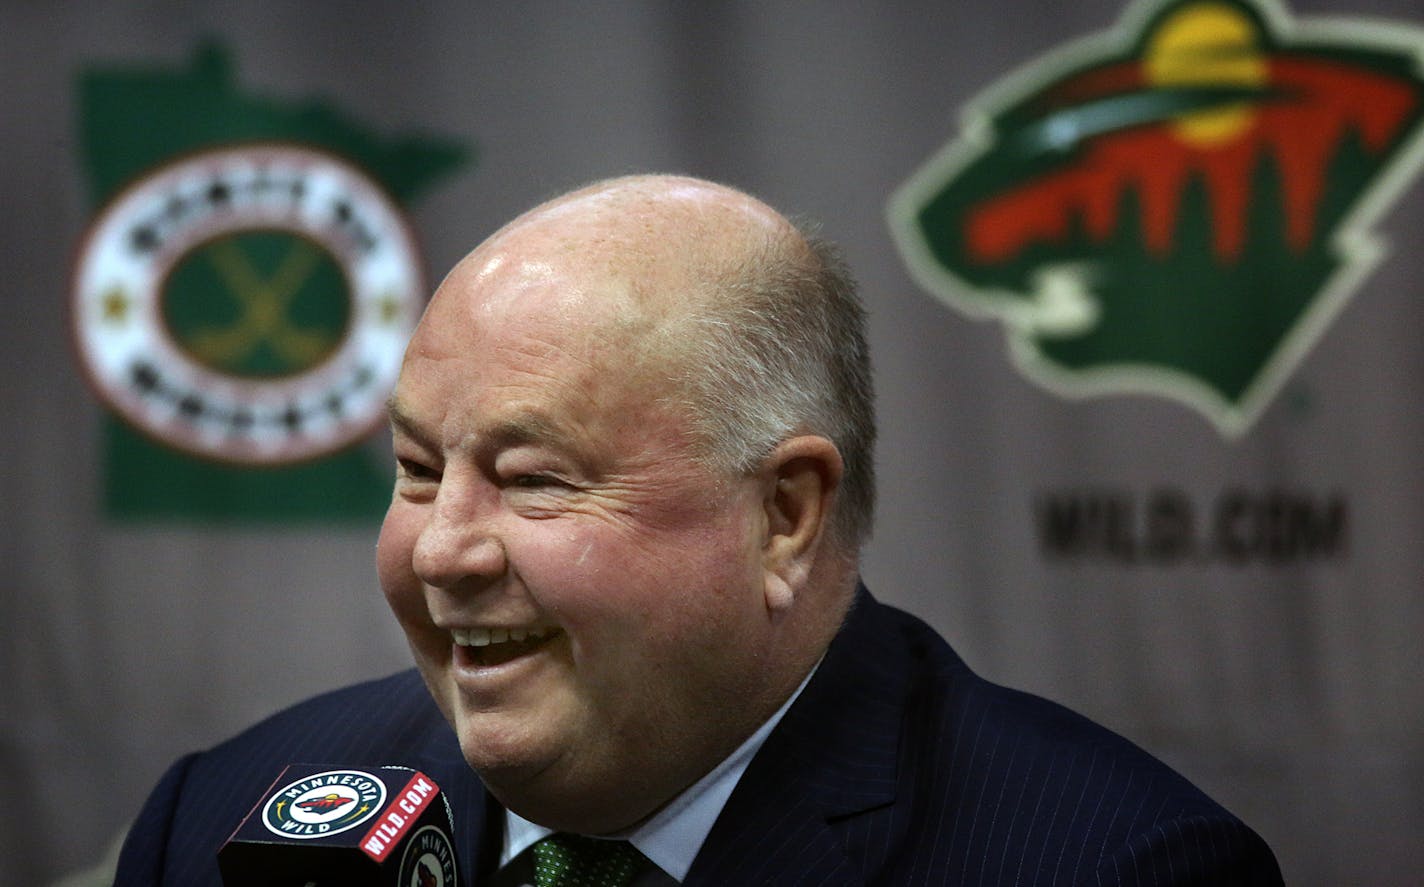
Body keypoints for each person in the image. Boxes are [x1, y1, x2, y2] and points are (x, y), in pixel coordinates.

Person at [115, 175, 1283, 885]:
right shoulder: (217, 825)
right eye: (417, 469)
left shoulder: (1107, 868)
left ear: (783, 513)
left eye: (531, 480)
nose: (441, 549)